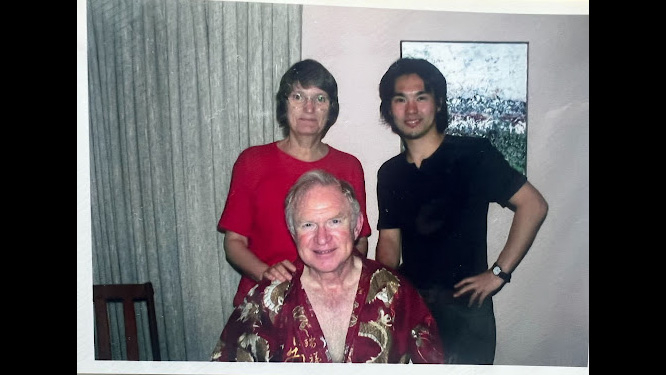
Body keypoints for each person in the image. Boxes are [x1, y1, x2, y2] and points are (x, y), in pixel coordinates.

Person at [374, 58, 549, 365]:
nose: (411, 110)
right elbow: (389, 243)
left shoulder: (473, 154)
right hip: (411, 307)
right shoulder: (390, 173)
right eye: (400, 99)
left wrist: (498, 273)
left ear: (438, 103)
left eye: (421, 97)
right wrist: (381, 294)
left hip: (467, 314)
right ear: (389, 109)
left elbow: (534, 205)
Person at [210, 170, 444, 363]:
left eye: (334, 221)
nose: (322, 238)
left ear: (356, 226)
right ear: (293, 233)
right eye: (308, 225)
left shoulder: (397, 293)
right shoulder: (265, 301)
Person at [218, 59, 371, 307]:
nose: (309, 108)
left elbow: (359, 240)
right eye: (298, 96)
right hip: (264, 298)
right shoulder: (252, 162)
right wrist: (266, 274)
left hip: (329, 299)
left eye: (320, 99)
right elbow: (234, 243)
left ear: (331, 109)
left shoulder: (349, 166)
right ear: (284, 104)